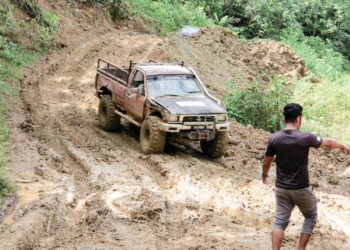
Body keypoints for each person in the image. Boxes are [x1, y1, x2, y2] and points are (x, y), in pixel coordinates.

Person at [261, 103, 350, 250]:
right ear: (298, 118)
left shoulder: (274, 138)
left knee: (280, 222)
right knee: (310, 216)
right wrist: (342, 146)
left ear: (285, 118)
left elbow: (266, 162)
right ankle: (301, 249)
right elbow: (327, 143)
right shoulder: (305, 137)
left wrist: (264, 176)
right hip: (301, 189)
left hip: (281, 188)